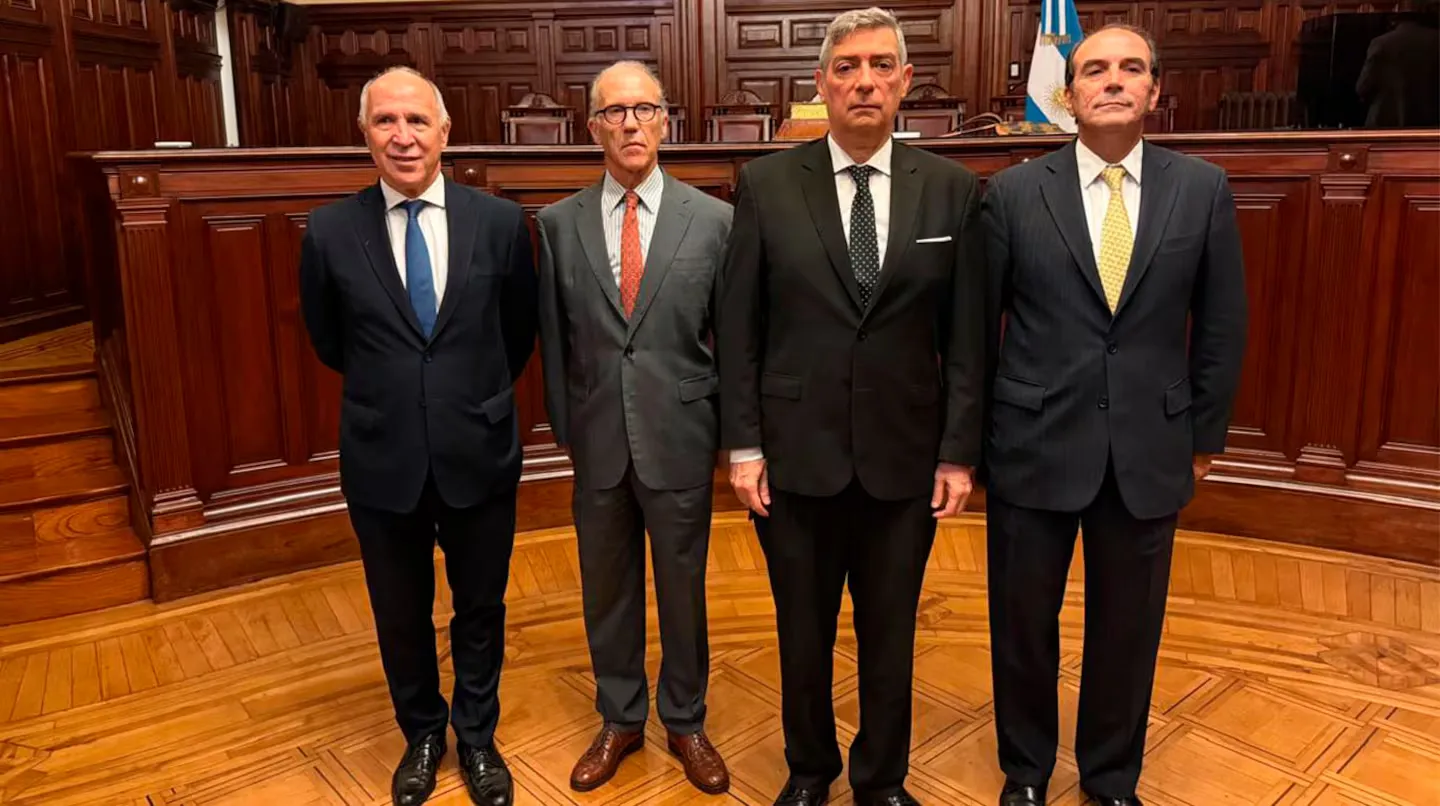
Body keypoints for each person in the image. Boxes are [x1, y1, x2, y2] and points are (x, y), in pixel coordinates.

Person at [716, 7, 986, 806]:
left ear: (905, 82)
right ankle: (809, 771)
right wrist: (743, 447)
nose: (863, 81)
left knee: (890, 634)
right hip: (793, 458)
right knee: (802, 634)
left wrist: (958, 452)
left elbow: (968, 338)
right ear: (821, 84)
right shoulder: (767, 185)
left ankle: (881, 778)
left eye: (879, 66)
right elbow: (740, 328)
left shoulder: (952, 191)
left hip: (905, 459)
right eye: (846, 67)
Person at [980, 24, 1248, 806]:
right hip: (1032, 444)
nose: (1113, 80)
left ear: (1155, 91)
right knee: (1022, 625)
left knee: (1128, 630)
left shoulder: (1202, 188)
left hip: (1149, 447)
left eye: (1132, 68)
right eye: (1095, 69)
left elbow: (1222, 324)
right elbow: (976, 328)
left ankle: (1110, 777)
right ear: (1069, 94)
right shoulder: (1014, 193)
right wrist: (978, 441)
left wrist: (1203, 436)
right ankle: (1025, 771)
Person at [298, 66, 537, 806]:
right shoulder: (330, 231)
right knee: (400, 613)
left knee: (481, 607)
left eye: (417, 121)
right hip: (383, 455)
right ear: (364, 134)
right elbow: (328, 340)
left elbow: (517, 333)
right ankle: (423, 734)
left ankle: (477, 736)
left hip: (478, 450)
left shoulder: (499, 223)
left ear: (445, 132)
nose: (402, 137)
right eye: (385, 121)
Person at [535, 60, 733, 796]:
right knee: (606, 590)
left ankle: (685, 720)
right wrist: (568, 428)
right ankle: (620, 717)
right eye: (614, 112)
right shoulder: (557, 225)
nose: (630, 124)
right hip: (597, 442)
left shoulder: (713, 221)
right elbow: (554, 340)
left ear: (664, 121)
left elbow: (731, 338)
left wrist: (729, 437)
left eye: (644, 110)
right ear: (593, 127)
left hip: (680, 435)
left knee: (683, 591)